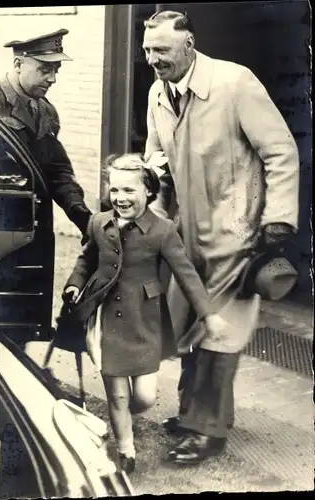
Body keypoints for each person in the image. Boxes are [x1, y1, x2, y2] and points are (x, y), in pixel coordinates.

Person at [142, 10, 299, 464]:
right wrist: (150, 208)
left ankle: (206, 430)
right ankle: (194, 413)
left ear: (189, 45)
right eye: (149, 51)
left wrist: (279, 218)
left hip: (237, 234)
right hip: (185, 235)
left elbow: (281, 150)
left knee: (219, 331)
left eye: (163, 51)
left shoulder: (234, 83)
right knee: (191, 327)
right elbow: (156, 158)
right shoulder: (158, 93)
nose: (154, 60)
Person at [60, 153, 216, 474]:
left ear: (148, 191)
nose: (120, 198)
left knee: (144, 397)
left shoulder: (163, 230)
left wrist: (207, 314)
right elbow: (86, 260)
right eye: (114, 190)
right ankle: (126, 450)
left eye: (129, 190)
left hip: (145, 320)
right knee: (117, 394)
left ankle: (125, 416)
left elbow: (186, 274)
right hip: (106, 320)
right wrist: (75, 284)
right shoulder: (98, 223)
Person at [0, 29, 92, 241]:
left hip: (40, 230)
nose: (52, 79)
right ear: (18, 64)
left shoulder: (47, 111)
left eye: (56, 70)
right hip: (1, 231)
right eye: (45, 70)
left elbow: (56, 169)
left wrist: (79, 213)